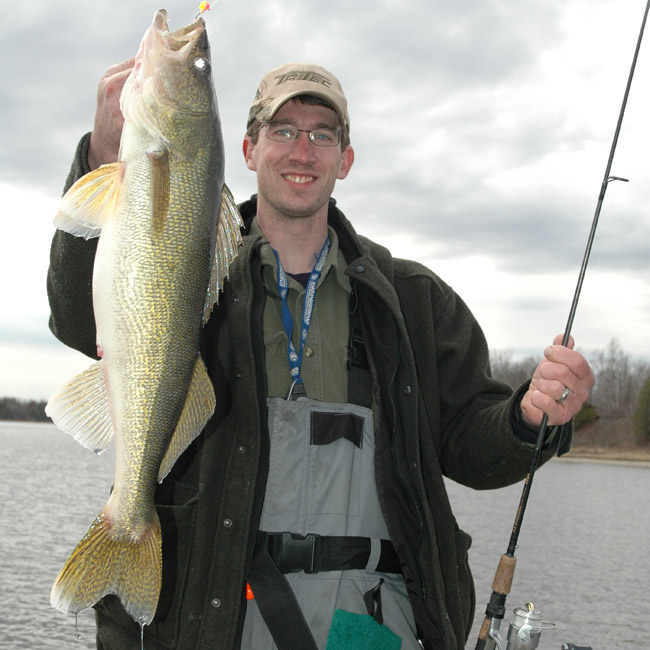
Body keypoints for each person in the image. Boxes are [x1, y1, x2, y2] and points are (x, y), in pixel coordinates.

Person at [47, 61, 595, 650]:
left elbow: (472, 446)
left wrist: (531, 417)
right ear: (249, 151)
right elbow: (80, 318)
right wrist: (104, 159)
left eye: (322, 135)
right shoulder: (191, 272)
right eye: (282, 131)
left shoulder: (412, 298)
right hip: (219, 612)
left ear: (345, 160)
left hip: (370, 621)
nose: (302, 151)